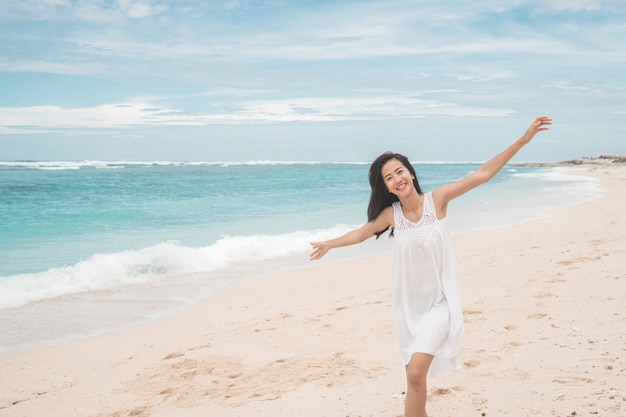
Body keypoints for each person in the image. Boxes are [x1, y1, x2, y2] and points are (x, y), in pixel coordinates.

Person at [309, 116, 552, 417]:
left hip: (439, 304)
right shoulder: (390, 215)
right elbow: (360, 233)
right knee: (414, 375)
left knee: (414, 373)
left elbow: (481, 175)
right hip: (409, 308)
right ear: (386, 186)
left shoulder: (437, 201)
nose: (397, 179)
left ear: (410, 174)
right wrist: (329, 244)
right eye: (389, 177)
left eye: (400, 171)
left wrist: (522, 140)